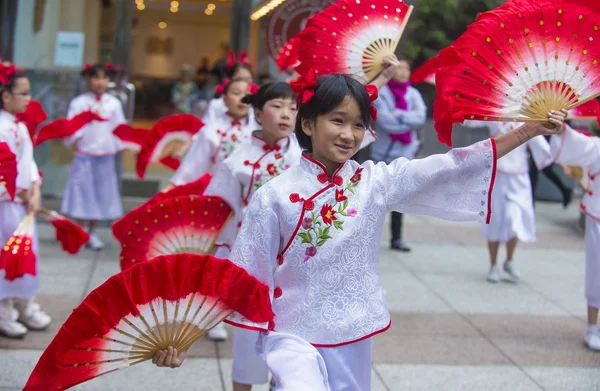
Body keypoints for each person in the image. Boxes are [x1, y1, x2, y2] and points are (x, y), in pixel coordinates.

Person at [152, 69, 567, 390]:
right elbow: (242, 272)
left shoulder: (374, 181)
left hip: (353, 329)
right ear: (309, 125)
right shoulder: (274, 196)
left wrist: (528, 130)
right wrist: (187, 335)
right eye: (337, 120)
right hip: (291, 333)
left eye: (357, 124)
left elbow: (448, 165)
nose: (349, 134)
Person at [205, 82, 300, 391]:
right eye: (277, 106)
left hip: (292, 263)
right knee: (248, 340)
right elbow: (218, 214)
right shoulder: (236, 162)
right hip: (251, 264)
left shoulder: (304, 156)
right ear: (258, 113)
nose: (286, 114)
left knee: (291, 341)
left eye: (293, 107)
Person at [464, 121, 553, 282]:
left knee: (515, 219)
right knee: (495, 220)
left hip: (519, 177)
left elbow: (543, 146)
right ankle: (493, 265)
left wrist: (565, 161)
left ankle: (509, 260)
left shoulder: (528, 121)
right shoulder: (497, 116)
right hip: (497, 176)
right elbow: (473, 120)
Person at [0, 63, 51, 338]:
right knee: (6, 257)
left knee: (25, 256)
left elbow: (27, 163)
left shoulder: (19, 127)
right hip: (5, 204)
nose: (29, 98)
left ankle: (26, 304)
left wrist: (35, 189)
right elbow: (3, 170)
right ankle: (5, 312)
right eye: (23, 93)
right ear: (6, 95)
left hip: (21, 202)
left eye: (29, 93)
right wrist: (23, 192)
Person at [60, 64, 126, 250]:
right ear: (89, 79)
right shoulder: (79, 102)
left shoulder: (113, 103)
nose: (100, 82)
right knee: (82, 192)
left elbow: (120, 128)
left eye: (104, 78)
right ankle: (79, 231)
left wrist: (126, 144)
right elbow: (71, 126)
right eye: (96, 78)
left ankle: (92, 232)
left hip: (104, 155)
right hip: (85, 154)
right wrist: (73, 137)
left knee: (100, 194)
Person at [548, 123, 600, 351]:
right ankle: (592, 328)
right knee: (597, 271)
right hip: (598, 216)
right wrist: (560, 128)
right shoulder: (596, 147)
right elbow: (575, 143)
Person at [370, 54, 427, 252]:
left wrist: (399, 114)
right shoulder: (381, 92)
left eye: (406, 69)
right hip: (382, 155)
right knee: (376, 199)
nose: (403, 73)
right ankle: (369, 237)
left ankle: (396, 238)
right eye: (399, 68)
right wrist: (405, 121)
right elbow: (386, 123)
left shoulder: (413, 93)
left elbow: (420, 117)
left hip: (405, 154)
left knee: (400, 199)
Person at [169, 78, 259, 188]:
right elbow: (193, 167)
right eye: (236, 93)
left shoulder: (259, 131)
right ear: (224, 100)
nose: (243, 98)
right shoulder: (211, 130)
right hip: (216, 192)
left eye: (247, 94)